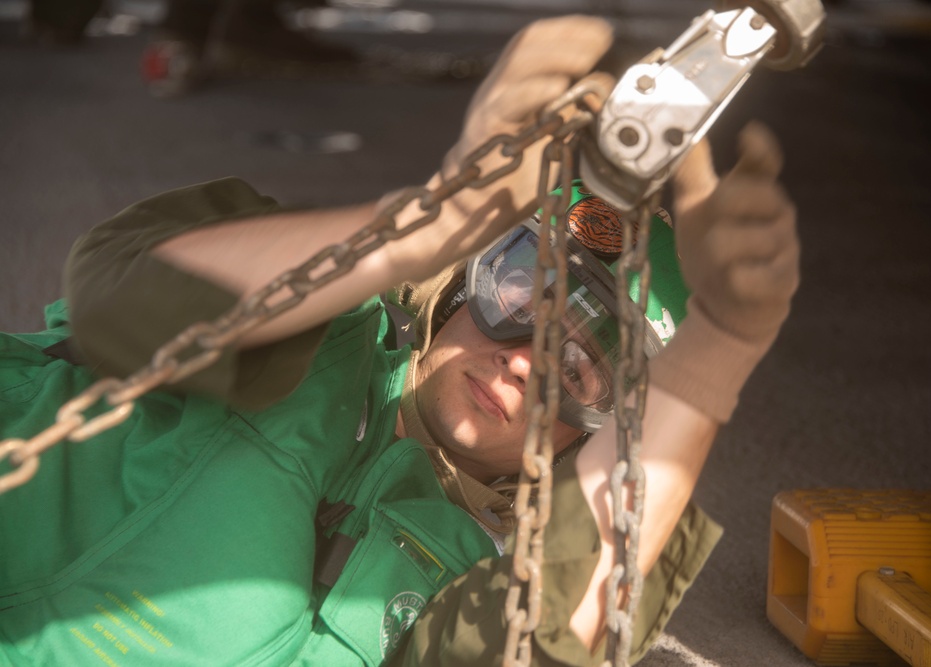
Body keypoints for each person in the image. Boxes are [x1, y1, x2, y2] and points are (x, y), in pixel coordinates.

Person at [0, 15, 799, 667]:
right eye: (520, 294)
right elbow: (120, 291)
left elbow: (548, 640)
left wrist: (715, 352)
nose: (523, 359)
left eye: (577, 366)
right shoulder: (315, 325)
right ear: (463, 279)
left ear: (598, 429)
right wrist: (426, 226)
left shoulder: (481, 577)